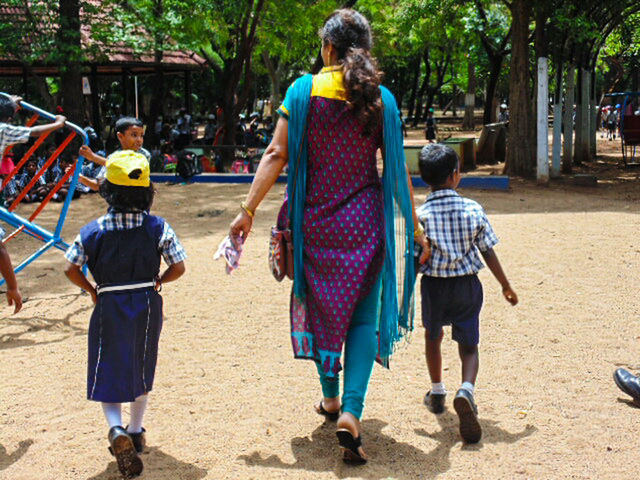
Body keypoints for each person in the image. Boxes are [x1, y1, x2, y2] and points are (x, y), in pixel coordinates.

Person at [229, 8, 429, 465]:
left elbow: (277, 152)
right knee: (361, 319)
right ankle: (352, 413)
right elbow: (396, 172)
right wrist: (415, 229)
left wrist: (248, 210)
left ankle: (331, 398)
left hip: (314, 226)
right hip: (365, 224)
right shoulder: (382, 100)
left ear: (328, 48)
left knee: (321, 311)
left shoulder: (302, 91)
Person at [63, 150, 186, 478]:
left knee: (109, 364)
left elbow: (69, 267)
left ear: (108, 191)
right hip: (146, 300)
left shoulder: (93, 230)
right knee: (142, 363)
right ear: (147, 192)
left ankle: (115, 428)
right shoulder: (157, 226)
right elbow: (179, 266)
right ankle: (135, 430)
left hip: (108, 304)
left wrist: (92, 290)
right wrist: (159, 279)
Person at [416, 144, 517, 444]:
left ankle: (437, 392)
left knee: (433, 337)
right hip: (467, 286)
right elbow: (488, 251)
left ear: (424, 178)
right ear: (455, 175)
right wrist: (505, 285)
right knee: (469, 346)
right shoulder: (473, 209)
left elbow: (414, 257)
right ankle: (466, 390)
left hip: (434, 287)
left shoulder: (420, 216)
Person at [77, 117, 150, 191]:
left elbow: (125, 166)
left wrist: (93, 157)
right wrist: (80, 177)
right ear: (120, 136)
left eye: (141, 135)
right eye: (134, 135)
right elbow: (98, 185)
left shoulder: (143, 155)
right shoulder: (113, 157)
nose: (139, 140)